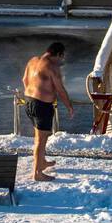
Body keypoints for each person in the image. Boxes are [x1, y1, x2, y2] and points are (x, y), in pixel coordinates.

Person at [21, 41, 73, 181]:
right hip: (41, 106)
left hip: (29, 102)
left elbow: (25, 80)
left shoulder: (33, 61)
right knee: (41, 140)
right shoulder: (52, 67)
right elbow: (60, 89)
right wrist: (69, 106)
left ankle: (41, 162)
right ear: (58, 54)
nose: (61, 61)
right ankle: (37, 173)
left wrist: (34, 93)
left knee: (39, 136)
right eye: (61, 58)